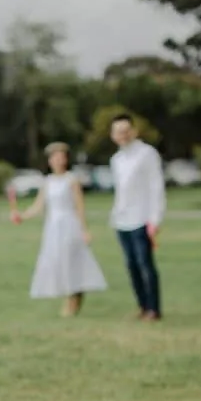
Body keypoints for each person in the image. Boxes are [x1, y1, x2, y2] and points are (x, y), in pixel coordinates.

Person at [12, 142, 108, 316]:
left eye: (61, 157)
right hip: (53, 227)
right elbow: (39, 206)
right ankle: (68, 295)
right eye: (54, 157)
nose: (58, 160)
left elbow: (79, 207)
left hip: (69, 224)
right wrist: (23, 216)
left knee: (72, 261)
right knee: (57, 260)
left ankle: (73, 298)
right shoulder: (47, 182)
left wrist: (84, 230)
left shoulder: (71, 180)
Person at [108, 113, 166, 321]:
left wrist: (155, 218)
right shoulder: (117, 159)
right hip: (122, 219)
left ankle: (154, 308)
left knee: (145, 264)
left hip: (142, 218)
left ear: (133, 131)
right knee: (131, 265)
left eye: (126, 131)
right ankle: (142, 305)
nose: (122, 135)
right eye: (118, 132)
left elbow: (156, 187)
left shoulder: (147, 154)